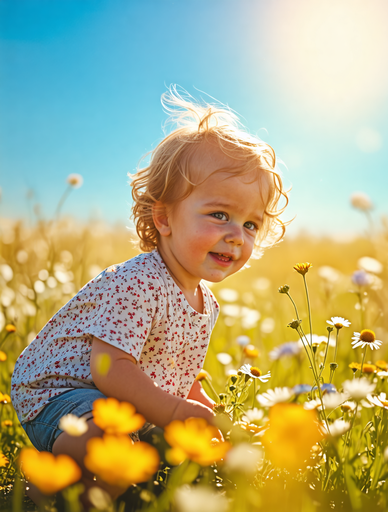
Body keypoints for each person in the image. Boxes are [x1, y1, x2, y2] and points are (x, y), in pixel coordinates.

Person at [11, 87, 288, 503]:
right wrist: (175, 414)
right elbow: (108, 367)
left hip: (116, 401)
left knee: (160, 459)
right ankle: (46, 491)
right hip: (60, 393)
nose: (236, 235)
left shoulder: (205, 305)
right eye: (219, 215)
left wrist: (210, 416)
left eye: (251, 224)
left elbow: (179, 382)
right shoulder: (138, 282)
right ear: (163, 218)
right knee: (111, 453)